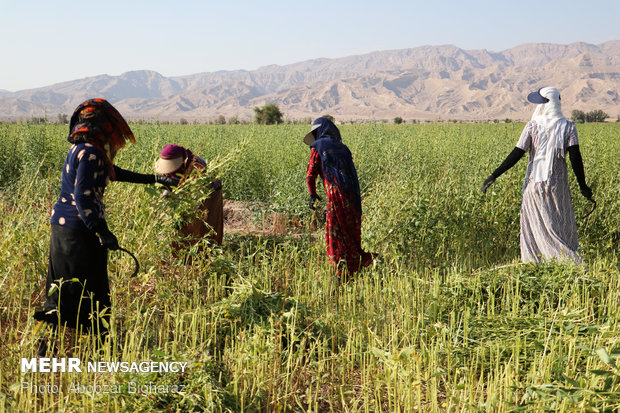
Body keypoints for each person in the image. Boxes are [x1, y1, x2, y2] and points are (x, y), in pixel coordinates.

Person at [33, 98, 178, 355]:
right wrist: (102, 231)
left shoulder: (82, 149)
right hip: (79, 233)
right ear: (102, 127)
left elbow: (113, 173)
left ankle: (48, 350)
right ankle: (101, 351)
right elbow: (83, 196)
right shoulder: (91, 152)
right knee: (93, 291)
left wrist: (154, 179)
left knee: (61, 289)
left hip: (64, 230)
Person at [482, 87, 593, 264]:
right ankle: (567, 263)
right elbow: (575, 158)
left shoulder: (533, 126)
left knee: (535, 228)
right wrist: (583, 186)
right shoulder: (569, 127)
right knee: (559, 227)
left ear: (545, 105)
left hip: (534, 186)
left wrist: (494, 175)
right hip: (558, 189)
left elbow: (516, 153)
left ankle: (537, 263)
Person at [304, 117, 374, 278]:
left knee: (334, 234)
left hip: (335, 197)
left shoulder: (318, 147)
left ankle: (340, 273)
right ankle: (358, 265)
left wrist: (313, 194)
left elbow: (310, 175)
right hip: (353, 197)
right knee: (350, 233)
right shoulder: (344, 148)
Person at [154, 144, 224, 251]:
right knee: (181, 226)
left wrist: (182, 217)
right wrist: (165, 201)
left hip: (209, 191)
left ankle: (206, 254)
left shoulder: (196, 168)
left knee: (203, 222)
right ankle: (181, 253)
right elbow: (167, 185)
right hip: (189, 190)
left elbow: (197, 199)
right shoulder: (173, 167)